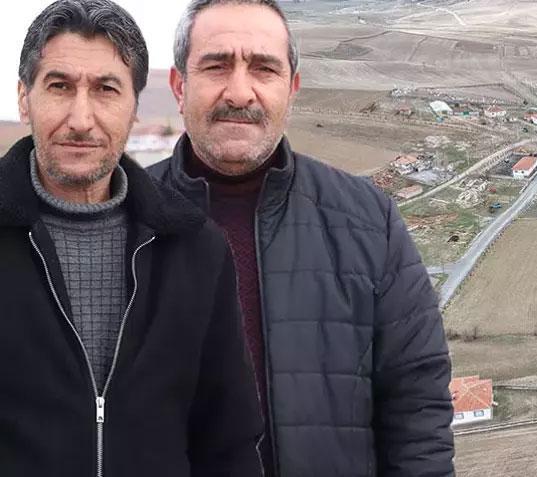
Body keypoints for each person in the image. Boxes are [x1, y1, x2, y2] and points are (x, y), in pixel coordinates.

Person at [148, 0, 455, 475]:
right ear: (178, 85)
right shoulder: (122, 223)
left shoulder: (369, 222)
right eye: (216, 66)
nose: (240, 92)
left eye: (264, 69)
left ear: (291, 89)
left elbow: (417, 407)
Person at [0, 1, 263, 475]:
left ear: (134, 107)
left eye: (106, 89)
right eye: (60, 87)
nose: (81, 119)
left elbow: (229, 442)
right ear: (24, 98)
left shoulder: (196, 250)